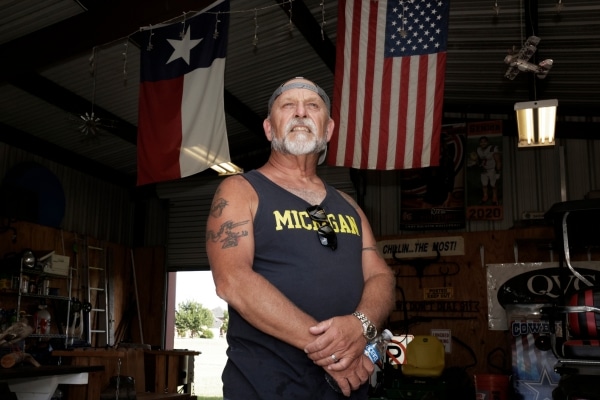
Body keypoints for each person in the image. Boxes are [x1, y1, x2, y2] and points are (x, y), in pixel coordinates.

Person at [206, 77, 396, 399]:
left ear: (328, 130)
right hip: (266, 388)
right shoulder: (240, 190)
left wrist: (361, 326)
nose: (300, 113)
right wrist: (333, 350)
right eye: (287, 106)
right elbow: (233, 280)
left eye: (312, 106)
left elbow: (381, 275)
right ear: (269, 128)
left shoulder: (349, 205)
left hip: (348, 389)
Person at [476, 136, 502, 205]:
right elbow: (479, 159)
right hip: (484, 169)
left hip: (492, 169)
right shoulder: (479, 149)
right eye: (481, 142)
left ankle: (494, 197)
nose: (483, 143)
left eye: (484, 142)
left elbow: (498, 160)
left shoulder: (493, 148)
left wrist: (498, 171)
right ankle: (485, 196)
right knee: (484, 185)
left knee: (493, 185)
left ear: (487, 142)